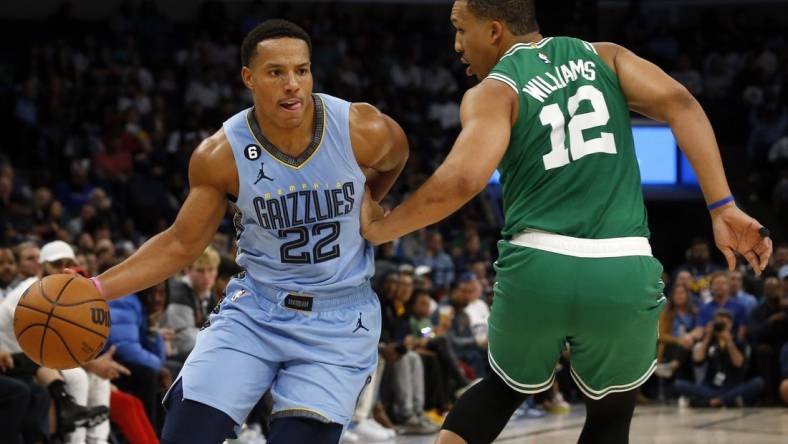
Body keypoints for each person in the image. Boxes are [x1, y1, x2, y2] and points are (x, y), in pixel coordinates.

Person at [360, 1, 772, 443]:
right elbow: (681, 103)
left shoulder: (494, 90)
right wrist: (723, 206)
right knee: (612, 414)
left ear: (495, 31)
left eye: (461, 30)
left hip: (539, 265)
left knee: (499, 392)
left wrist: (384, 226)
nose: (457, 44)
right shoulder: (605, 56)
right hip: (622, 264)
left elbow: (463, 178)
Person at [80, 19, 408, 444]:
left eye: (302, 70)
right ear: (249, 78)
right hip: (257, 309)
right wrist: (96, 287)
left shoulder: (359, 128)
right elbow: (182, 242)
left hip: (339, 319)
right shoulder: (220, 154)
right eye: (276, 73)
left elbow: (396, 156)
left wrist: (371, 200)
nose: (292, 84)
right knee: (184, 434)